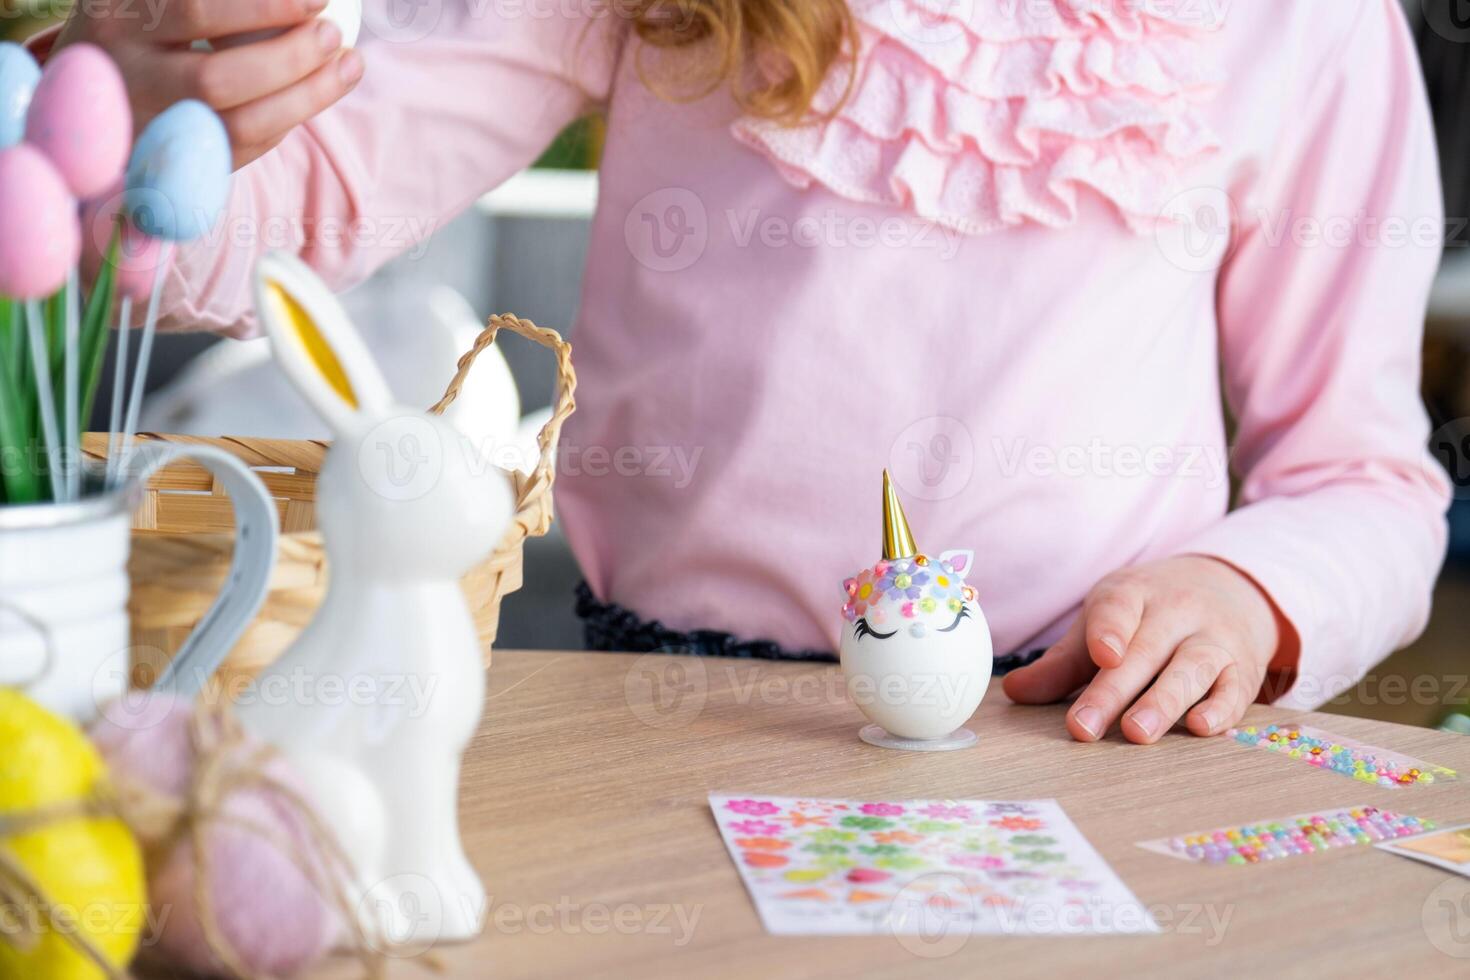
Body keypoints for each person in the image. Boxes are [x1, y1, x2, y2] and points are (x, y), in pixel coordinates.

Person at [46, 0, 1451, 743]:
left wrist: (1247, 592)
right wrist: (119, 123)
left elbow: (1362, 481)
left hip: (1081, 727)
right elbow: (306, 198)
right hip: (659, 710)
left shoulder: (1304, 22)